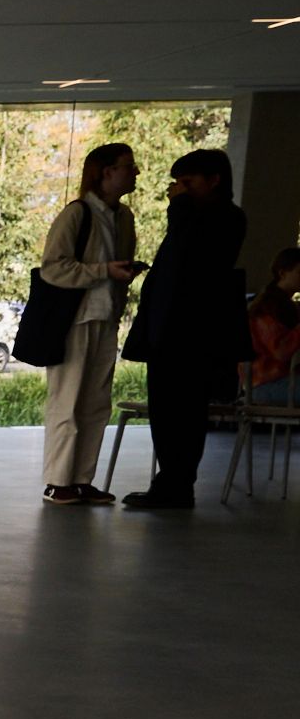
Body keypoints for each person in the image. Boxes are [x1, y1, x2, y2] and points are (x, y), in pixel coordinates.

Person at [121, 148, 252, 510]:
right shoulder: (196, 216)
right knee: (166, 410)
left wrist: (179, 209)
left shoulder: (225, 218)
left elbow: (194, 254)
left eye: (188, 182)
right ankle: (172, 482)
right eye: (177, 184)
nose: (178, 190)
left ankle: (176, 484)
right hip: (170, 331)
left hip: (193, 334)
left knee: (184, 412)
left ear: (214, 181)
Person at [38, 142, 140, 506]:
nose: (135, 172)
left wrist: (121, 274)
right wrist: (103, 271)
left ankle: (80, 480)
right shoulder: (77, 214)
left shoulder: (124, 217)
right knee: (67, 401)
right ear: (106, 172)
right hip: (75, 319)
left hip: (106, 315)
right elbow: (53, 267)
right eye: (128, 166)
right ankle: (58, 481)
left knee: (97, 403)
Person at [243, 246, 300, 408]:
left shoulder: (283, 305)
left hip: (279, 380)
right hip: (266, 384)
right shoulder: (267, 307)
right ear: (282, 273)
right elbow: (281, 351)